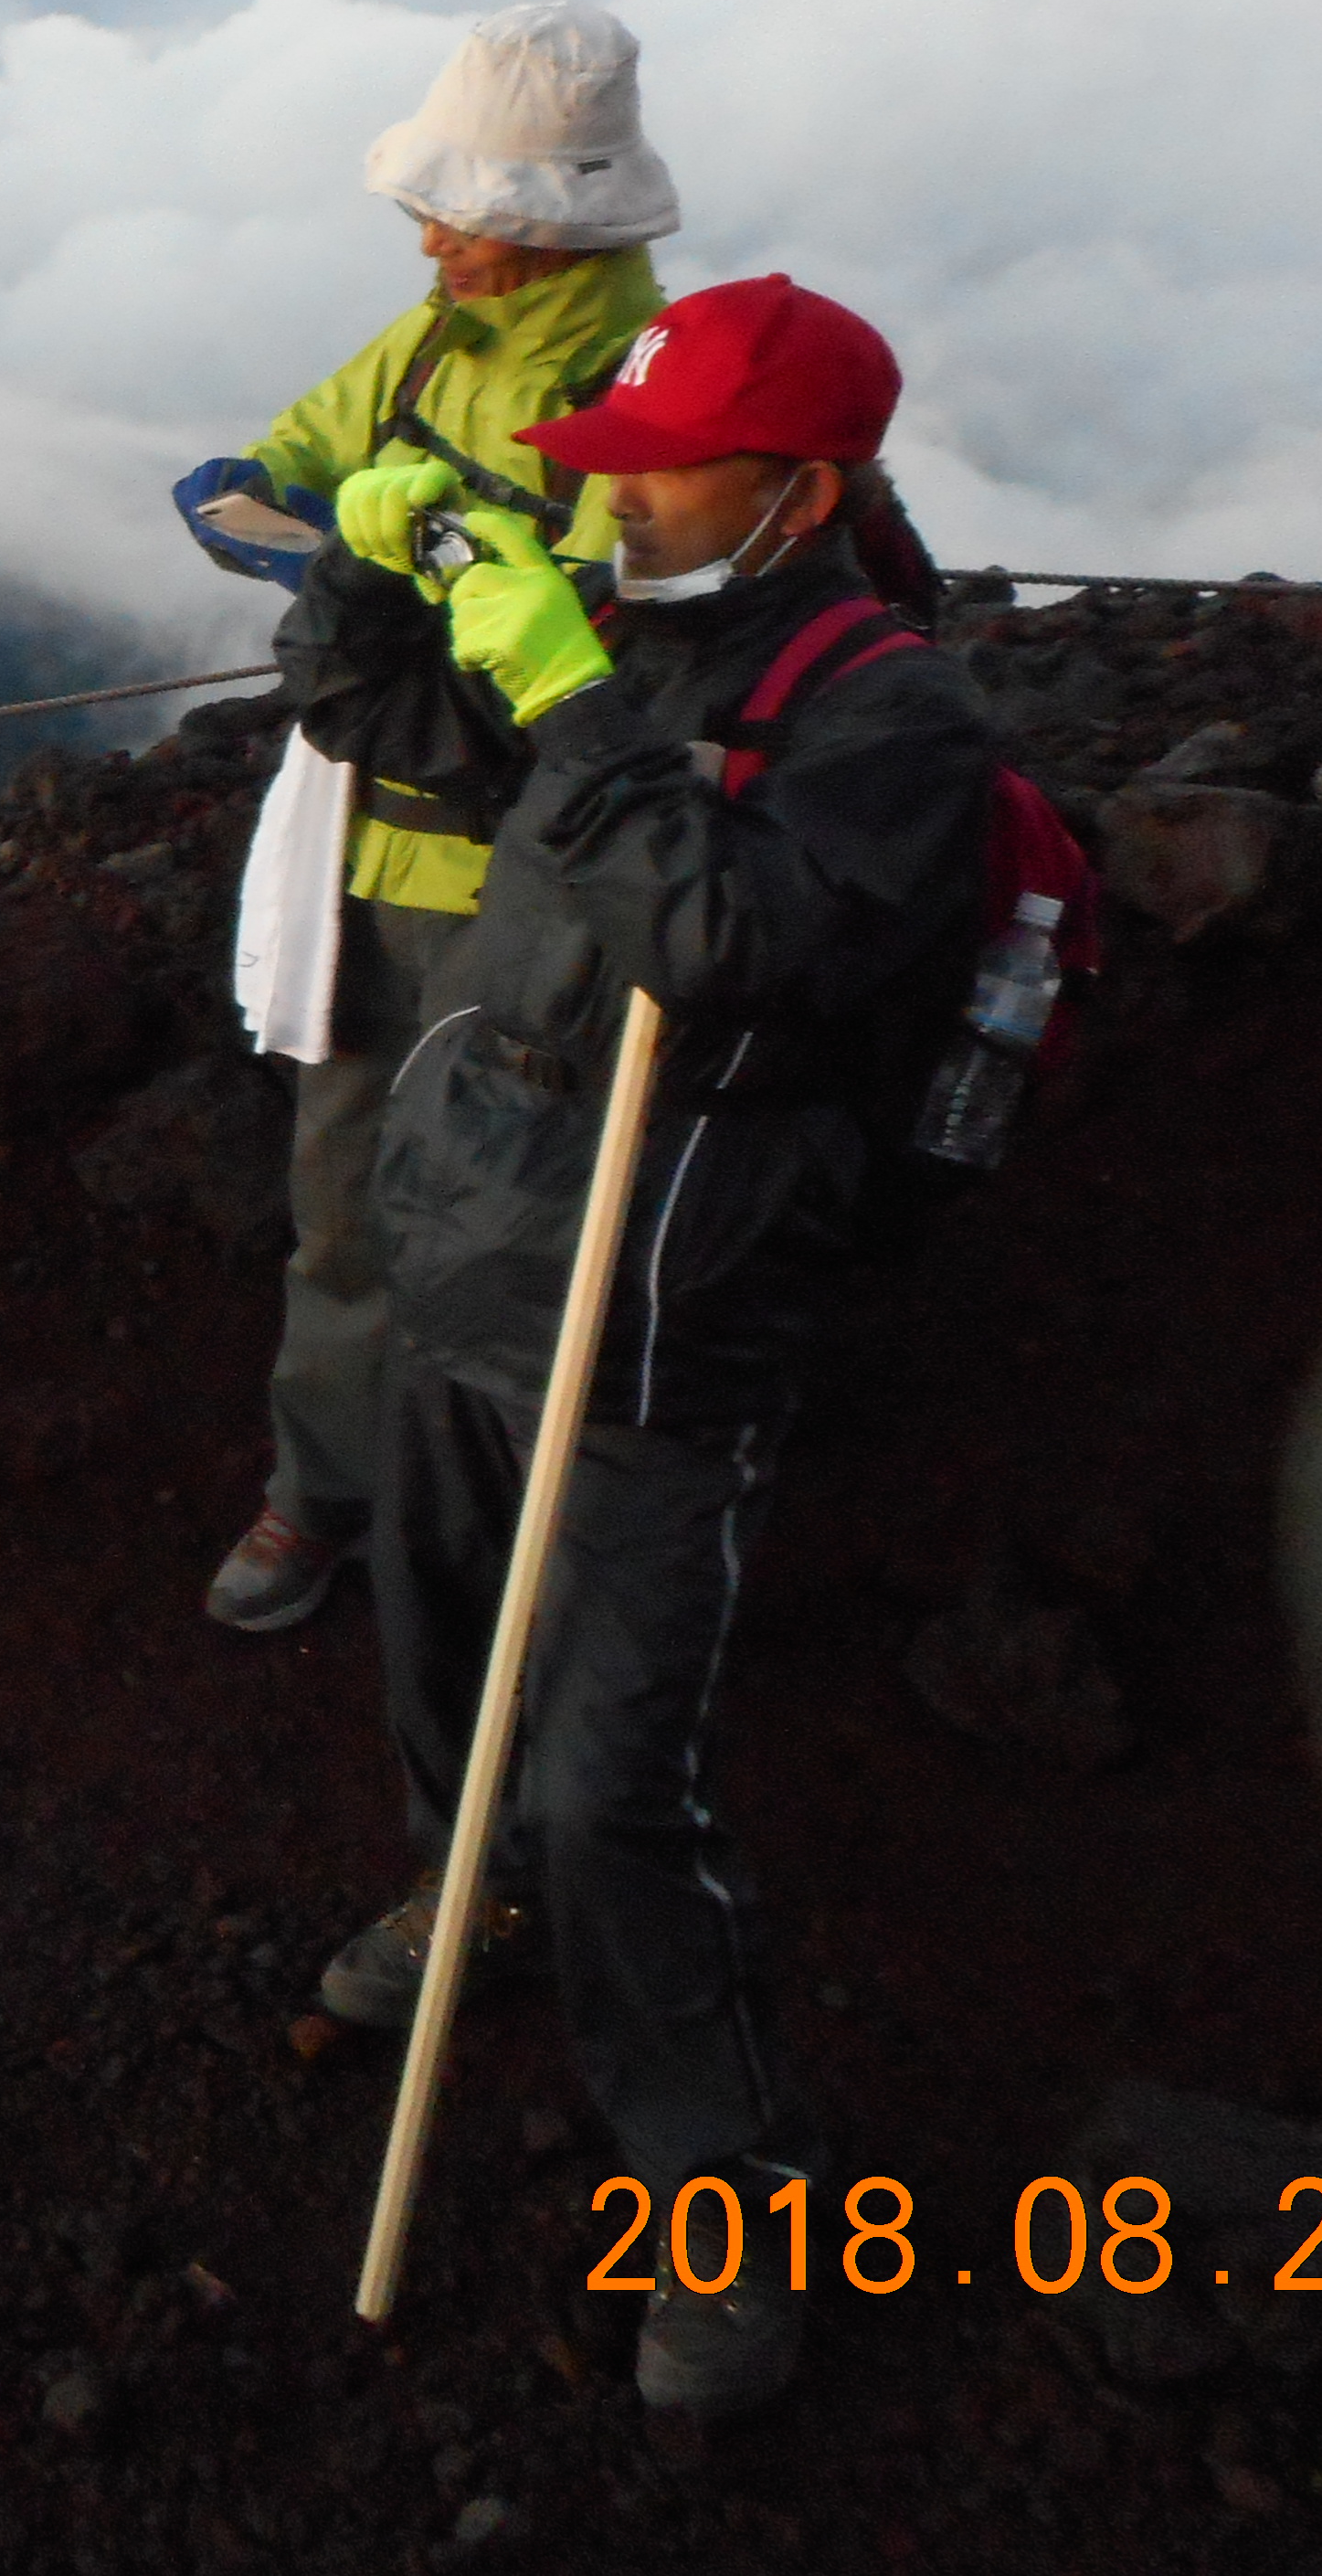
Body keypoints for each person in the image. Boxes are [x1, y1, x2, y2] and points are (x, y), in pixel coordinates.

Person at [278, 273, 995, 2421]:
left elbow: (740, 952)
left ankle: (728, 2206)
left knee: (614, 1794)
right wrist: (378, 561)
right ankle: (455, 1892)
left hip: (669, 1314)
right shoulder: (638, 623)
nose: (610, 497)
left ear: (801, 488)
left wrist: (580, 705)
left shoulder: (899, 724)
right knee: (435, 1644)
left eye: (650, 466)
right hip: (481, 1247)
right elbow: (372, 725)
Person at [174, 2, 679, 1635]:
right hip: (368, 856)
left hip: (530, 886)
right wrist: (320, 535)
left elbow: (601, 641)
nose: (424, 234)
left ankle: (512, 1533)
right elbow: (271, 467)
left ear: (534, 228)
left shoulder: (639, 390)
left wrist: (357, 559)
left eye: (449, 210)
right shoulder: (426, 346)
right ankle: (322, 1488)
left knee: (506, 1215)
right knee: (343, 1196)